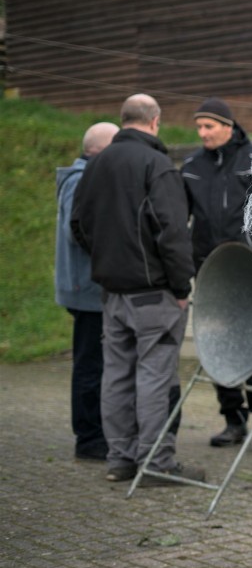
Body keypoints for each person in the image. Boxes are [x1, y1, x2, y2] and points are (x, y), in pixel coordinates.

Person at [70, 94, 203, 485]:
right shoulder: (157, 164)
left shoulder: (95, 165)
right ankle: (156, 464)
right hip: (154, 294)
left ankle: (121, 460)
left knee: (116, 375)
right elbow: (172, 232)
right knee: (154, 378)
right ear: (155, 121)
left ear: (123, 120)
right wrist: (181, 285)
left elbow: (78, 225)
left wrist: (110, 258)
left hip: (112, 293)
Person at [182, 97, 252, 454]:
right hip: (208, 270)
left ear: (227, 125)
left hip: (248, 270)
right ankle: (233, 420)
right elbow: (180, 221)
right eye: (199, 128)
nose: (203, 133)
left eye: (209, 126)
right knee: (215, 345)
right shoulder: (192, 166)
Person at [55, 121, 118, 462]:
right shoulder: (80, 180)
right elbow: (75, 231)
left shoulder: (83, 177)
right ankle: (89, 437)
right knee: (89, 365)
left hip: (89, 287)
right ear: (101, 150)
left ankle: (97, 431)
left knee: (96, 363)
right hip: (87, 290)